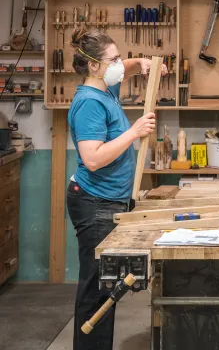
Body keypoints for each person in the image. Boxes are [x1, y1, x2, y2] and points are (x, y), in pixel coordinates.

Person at [66, 27, 167, 350]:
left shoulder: (106, 87)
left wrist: (144, 64)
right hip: (95, 202)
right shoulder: (89, 102)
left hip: (111, 199)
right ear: (93, 66)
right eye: (112, 59)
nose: (119, 64)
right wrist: (135, 131)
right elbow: (92, 158)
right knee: (97, 291)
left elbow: (128, 67)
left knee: (106, 287)